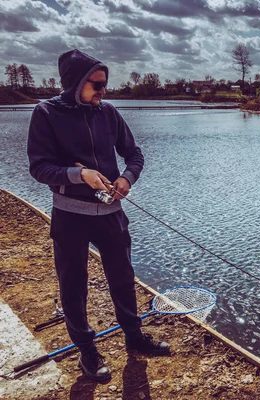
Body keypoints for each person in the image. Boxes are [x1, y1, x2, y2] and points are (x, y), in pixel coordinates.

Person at [27, 49, 169, 382]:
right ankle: (87, 353)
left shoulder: (108, 113)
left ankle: (134, 336)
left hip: (111, 214)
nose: (103, 91)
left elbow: (134, 155)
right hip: (69, 217)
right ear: (76, 83)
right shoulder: (45, 113)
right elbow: (39, 167)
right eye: (97, 85)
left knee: (123, 277)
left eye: (105, 84)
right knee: (74, 286)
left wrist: (126, 178)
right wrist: (80, 176)